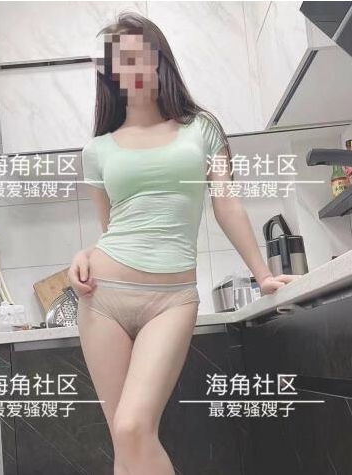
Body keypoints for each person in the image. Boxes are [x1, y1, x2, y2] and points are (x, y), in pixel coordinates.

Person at [68, 11, 300, 475]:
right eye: (122, 62)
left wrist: (263, 275)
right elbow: (112, 227)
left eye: (142, 56)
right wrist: (84, 255)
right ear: (111, 75)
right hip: (103, 299)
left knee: (133, 427)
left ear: (160, 60)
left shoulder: (201, 129)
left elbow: (227, 206)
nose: (134, 69)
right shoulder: (97, 150)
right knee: (124, 444)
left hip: (171, 300)